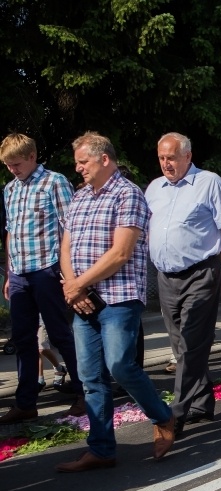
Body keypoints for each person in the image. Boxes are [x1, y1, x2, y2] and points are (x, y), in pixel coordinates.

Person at [55, 132, 174, 472]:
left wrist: (77, 284)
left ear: (104, 159)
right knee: (90, 376)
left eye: (83, 162)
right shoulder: (79, 198)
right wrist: (72, 288)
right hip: (83, 299)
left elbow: (121, 253)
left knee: (120, 365)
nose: (78, 168)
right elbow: (66, 247)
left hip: (118, 297)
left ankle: (163, 417)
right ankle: (102, 449)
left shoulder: (128, 194)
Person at [145, 132, 221, 439]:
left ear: (187, 156)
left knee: (191, 341)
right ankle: (201, 402)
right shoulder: (154, 188)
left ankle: (176, 414)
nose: (165, 164)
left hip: (202, 273)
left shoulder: (209, 182)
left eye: (171, 158)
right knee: (179, 343)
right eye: (161, 158)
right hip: (166, 277)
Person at [0, 133, 84, 424]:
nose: (13, 169)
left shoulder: (54, 182)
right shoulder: (10, 189)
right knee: (23, 339)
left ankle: (84, 392)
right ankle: (26, 403)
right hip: (21, 273)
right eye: (9, 165)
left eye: (17, 163)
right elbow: (10, 232)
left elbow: (71, 227)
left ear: (33, 156)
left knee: (60, 334)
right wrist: (10, 272)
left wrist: (68, 272)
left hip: (47, 270)